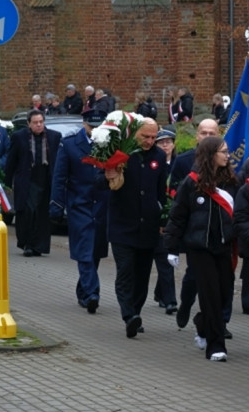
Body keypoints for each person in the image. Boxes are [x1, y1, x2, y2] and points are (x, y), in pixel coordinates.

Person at [164, 136, 237, 361]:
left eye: (227, 151)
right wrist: (172, 248)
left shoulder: (232, 183)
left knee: (225, 294)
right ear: (210, 155)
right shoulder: (192, 183)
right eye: (223, 152)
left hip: (224, 247)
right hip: (200, 248)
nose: (227, 155)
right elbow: (177, 216)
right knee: (210, 296)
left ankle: (202, 322)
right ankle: (216, 346)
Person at [103, 117, 166, 338]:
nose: (149, 141)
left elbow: (161, 192)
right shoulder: (121, 152)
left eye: (153, 137)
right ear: (134, 133)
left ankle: (136, 314)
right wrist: (107, 175)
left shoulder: (159, 156)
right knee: (126, 271)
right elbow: (99, 182)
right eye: (145, 137)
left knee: (142, 275)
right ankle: (128, 315)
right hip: (123, 226)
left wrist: (162, 220)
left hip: (148, 227)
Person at [49, 109, 110, 313]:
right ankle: (93, 292)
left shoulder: (110, 143)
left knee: (95, 252)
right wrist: (56, 205)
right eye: (91, 127)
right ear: (83, 124)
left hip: (102, 205)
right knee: (84, 249)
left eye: (98, 127)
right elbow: (59, 177)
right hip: (79, 204)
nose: (94, 131)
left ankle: (83, 290)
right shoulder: (69, 144)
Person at [4, 109, 62, 256]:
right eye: (35, 122)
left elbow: (58, 161)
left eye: (41, 122)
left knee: (42, 213)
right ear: (28, 124)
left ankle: (40, 246)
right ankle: (27, 244)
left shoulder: (54, 137)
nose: (39, 125)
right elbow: (11, 161)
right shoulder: (19, 137)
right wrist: (7, 183)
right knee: (28, 211)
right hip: (27, 179)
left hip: (45, 178)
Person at [151, 128, 178, 314]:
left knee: (167, 257)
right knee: (164, 257)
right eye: (161, 142)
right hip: (157, 217)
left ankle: (162, 293)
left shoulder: (179, 163)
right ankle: (170, 300)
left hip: (176, 218)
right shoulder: (154, 163)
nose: (165, 145)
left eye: (168, 141)